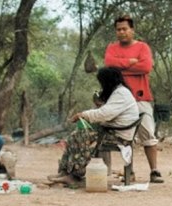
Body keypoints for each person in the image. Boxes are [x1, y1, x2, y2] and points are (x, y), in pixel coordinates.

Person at [49, 67, 140, 186]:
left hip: (118, 134)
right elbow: (105, 112)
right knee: (75, 134)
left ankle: (75, 175)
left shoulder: (121, 93)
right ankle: (65, 171)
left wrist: (83, 114)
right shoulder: (118, 92)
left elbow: (105, 114)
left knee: (81, 136)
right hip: (112, 130)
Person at [104, 14, 164, 183]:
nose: (121, 32)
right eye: (118, 29)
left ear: (132, 29)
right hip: (118, 100)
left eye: (124, 29)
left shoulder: (143, 47)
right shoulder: (112, 48)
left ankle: (154, 170)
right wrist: (130, 63)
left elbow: (145, 66)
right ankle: (129, 171)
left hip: (140, 98)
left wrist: (120, 67)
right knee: (124, 136)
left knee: (148, 134)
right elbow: (109, 64)